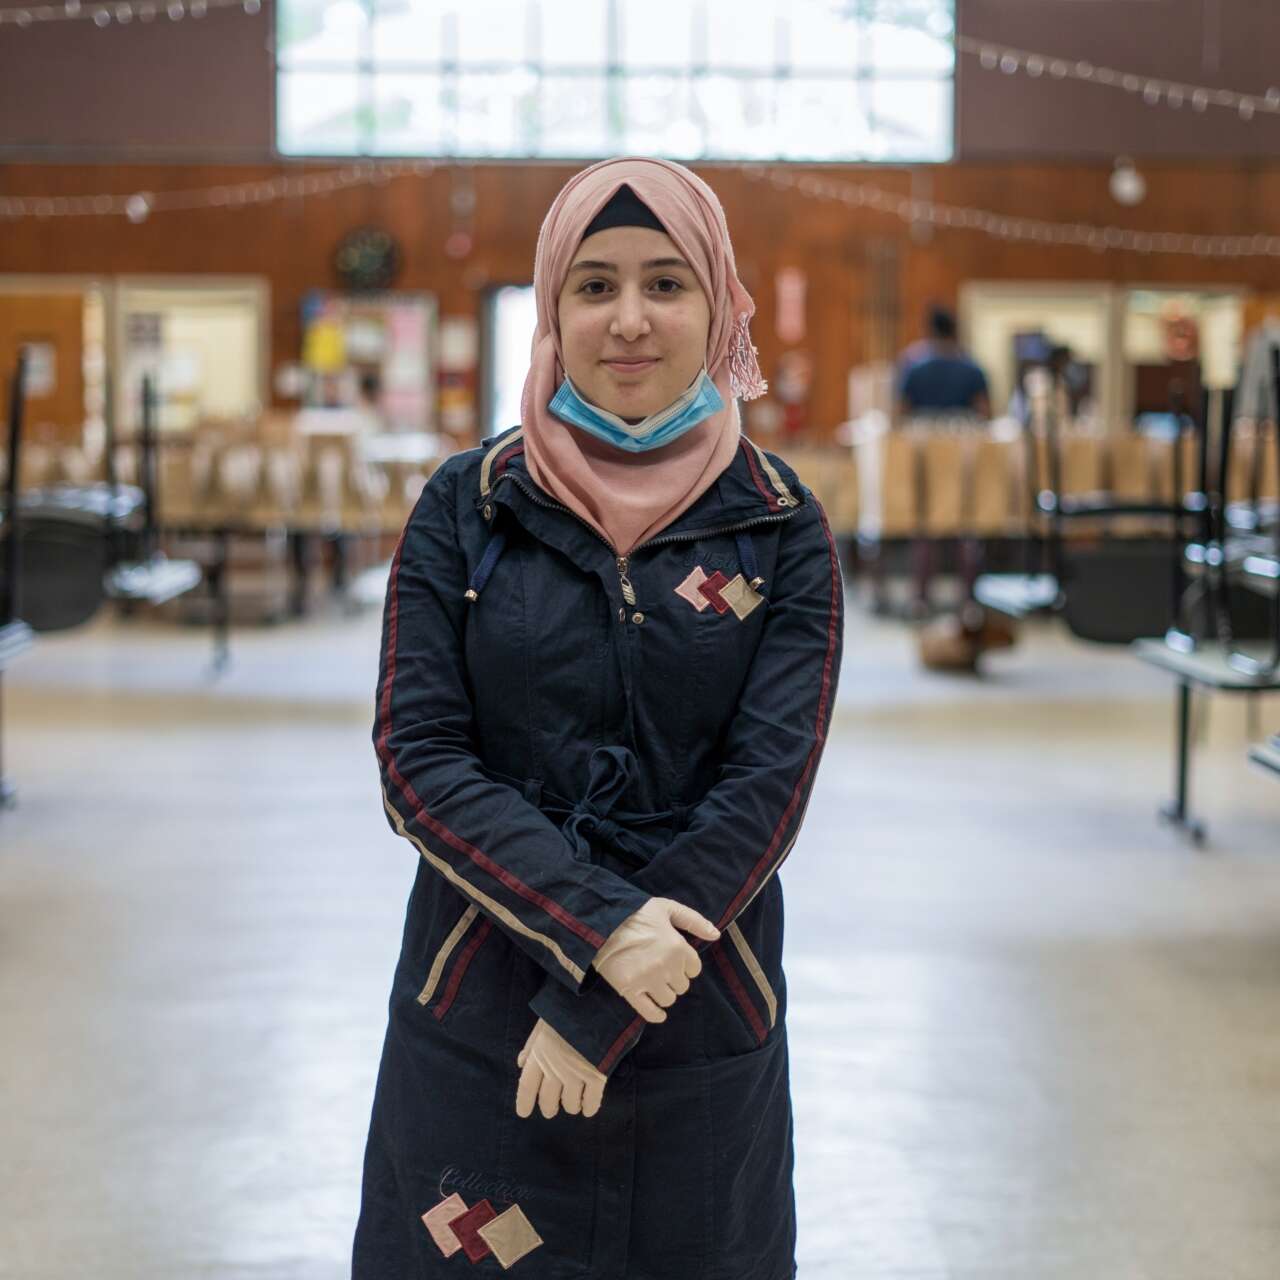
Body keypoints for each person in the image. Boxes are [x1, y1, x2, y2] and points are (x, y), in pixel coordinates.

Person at [353, 157, 844, 1278]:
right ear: (550, 308)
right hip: (483, 1008)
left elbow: (766, 787)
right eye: (594, 285)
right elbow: (417, 761)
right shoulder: (467, 506)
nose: (629, 319)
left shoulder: (775, 523)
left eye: (666, 284)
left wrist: (598, 1007)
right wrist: (593, 929)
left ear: (718, 306)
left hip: (697, 1016)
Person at [895, 303, 990, 420]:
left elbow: (902, 411)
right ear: (954, 332)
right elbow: (984, 412)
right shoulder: (973, 370)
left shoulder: (914, 370)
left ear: (930, 331)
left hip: (922, 435)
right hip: (963, 434)